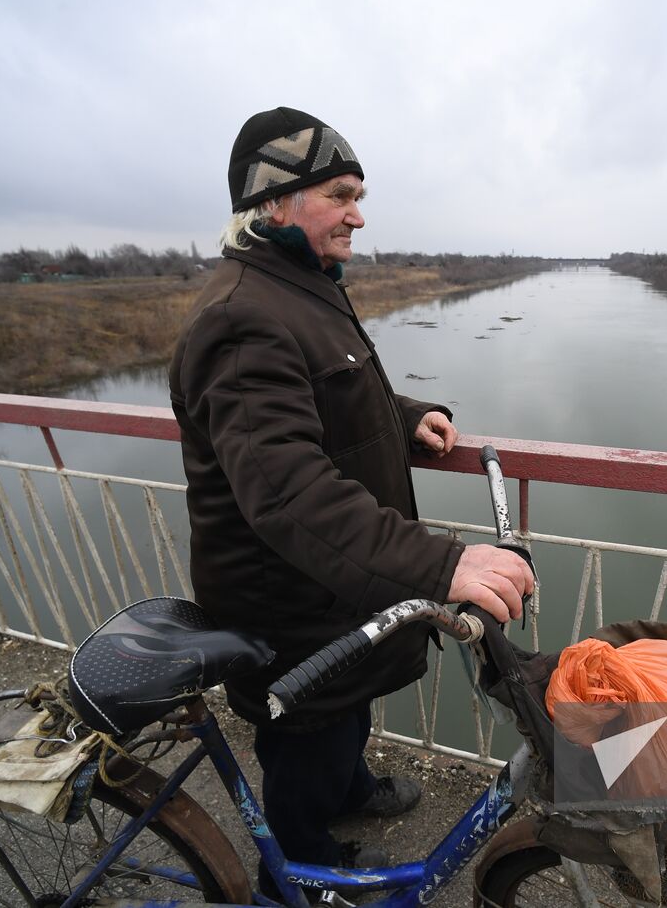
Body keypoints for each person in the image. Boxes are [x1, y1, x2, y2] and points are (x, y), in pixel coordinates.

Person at [169, 107, 534, 877]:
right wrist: (443, 567)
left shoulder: (297, 284)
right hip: (292, 609)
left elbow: (322, 400)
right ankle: (298, 870)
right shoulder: (241, 317)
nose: (357, 215)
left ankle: (355, 786)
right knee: (308, 740)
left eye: (357, 195)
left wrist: (405, 419)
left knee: (345, 720)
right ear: (275, 202)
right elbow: (290, 492)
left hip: (333, 594)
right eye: (339, 194)